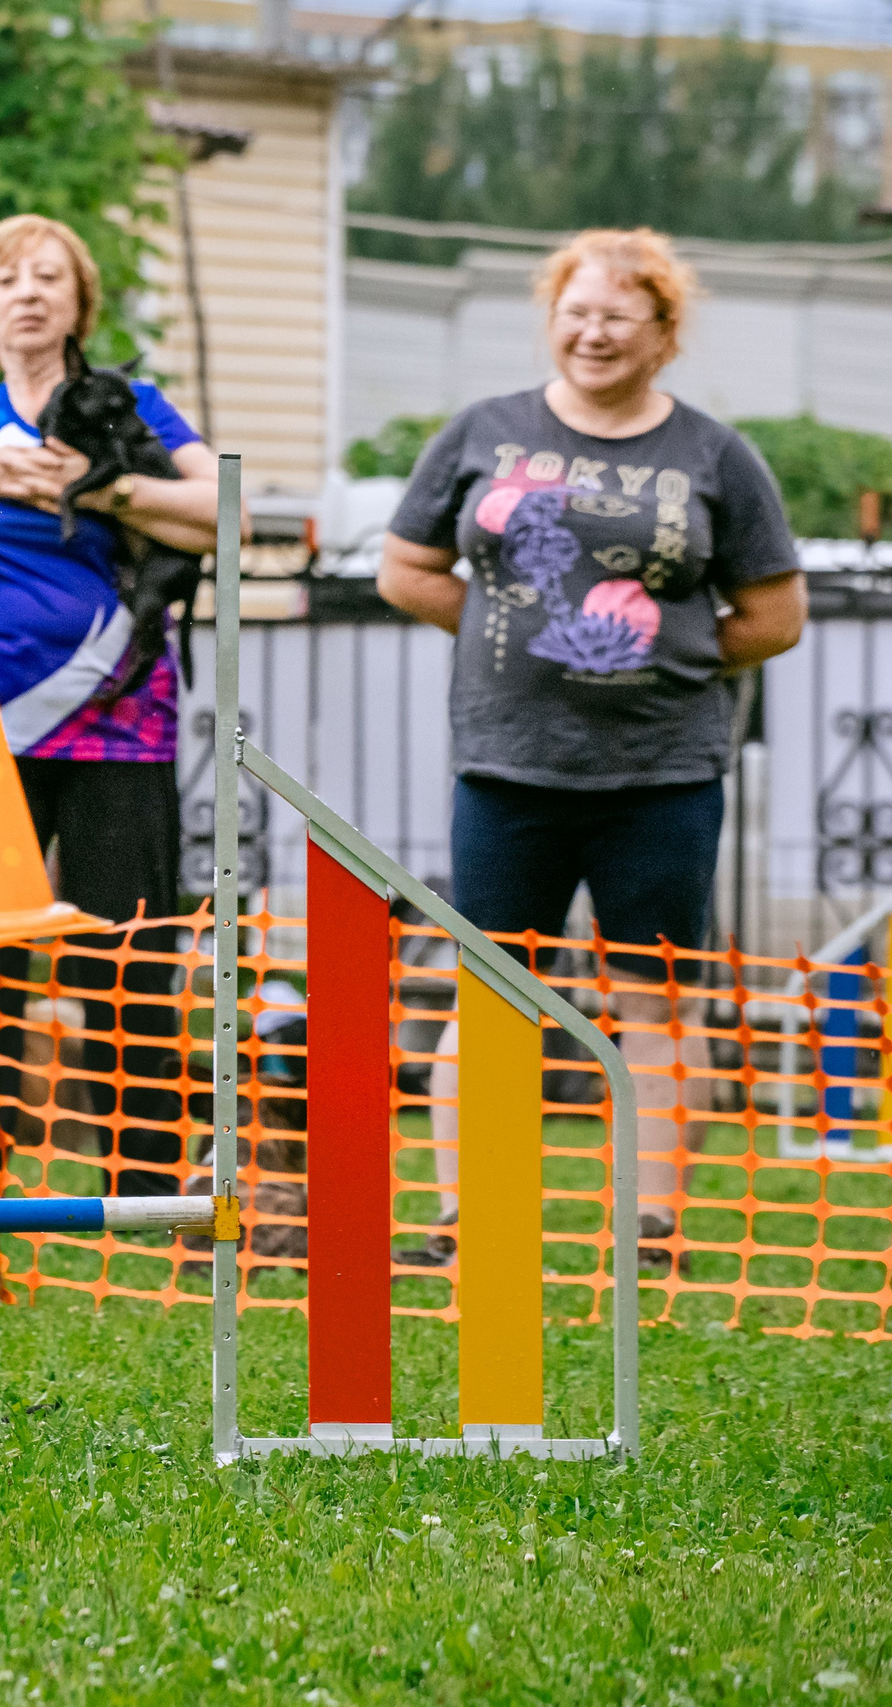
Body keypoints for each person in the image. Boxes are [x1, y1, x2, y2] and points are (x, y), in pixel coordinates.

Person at [379, 226, 806, 1254]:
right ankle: (461, 1217)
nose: (593, 332)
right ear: (551, 320)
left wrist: (661, 658)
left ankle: (650, 1223)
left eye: (618, 314)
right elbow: (404, 567)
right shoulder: (483, 429)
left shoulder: (712, 454)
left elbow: (775, 614)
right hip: (504, 767)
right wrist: (509, 638)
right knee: (487, 997)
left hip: (661, 775)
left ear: (664, 332)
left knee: (656, 997)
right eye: (576, 311)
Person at [0, 214, 223, 1197]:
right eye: (6, 279)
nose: (27, 291)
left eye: (48, 276)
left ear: (78, 304)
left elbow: (224, 510)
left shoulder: (134, 407)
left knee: (130, 963)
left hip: (122, 718)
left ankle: (145, 1188)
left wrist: (98, 491)